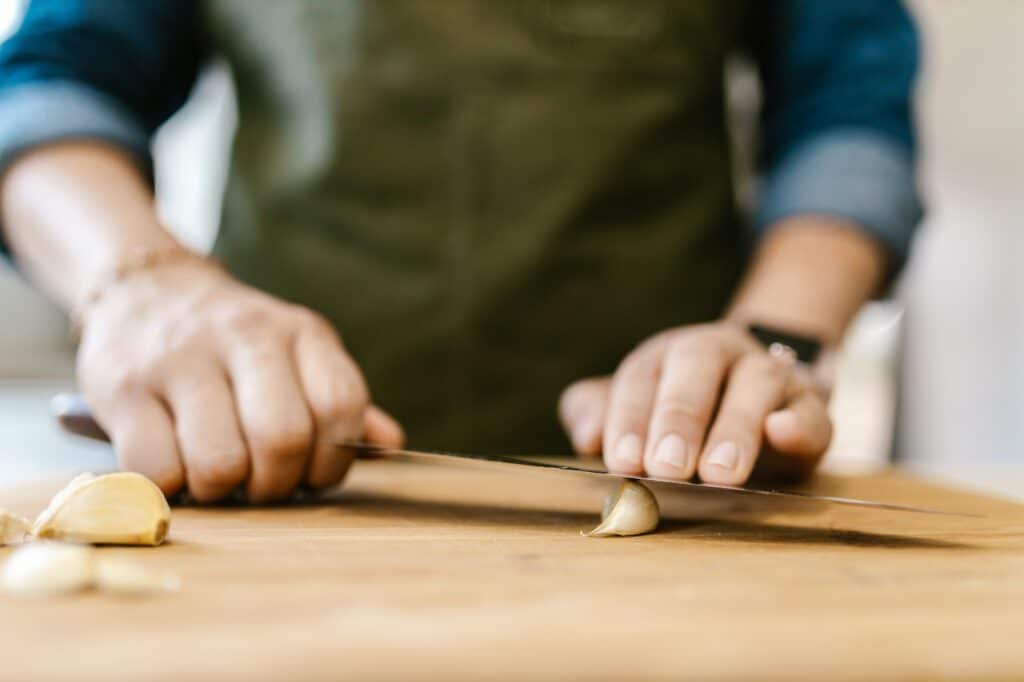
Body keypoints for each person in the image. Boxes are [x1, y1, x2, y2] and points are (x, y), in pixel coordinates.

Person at [0, 1, 921, 502]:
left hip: (678, 492)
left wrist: (774, 341)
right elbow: (52, 81)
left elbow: (848, 111)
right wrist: (138, 283)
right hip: (267, 474)